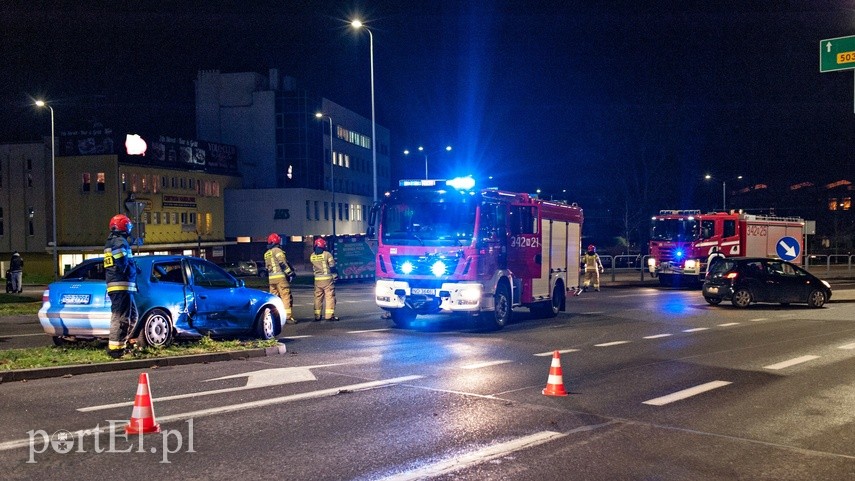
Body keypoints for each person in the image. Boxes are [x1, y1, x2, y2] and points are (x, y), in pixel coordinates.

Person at [104, 214, 137, 359]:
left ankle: (122, 344)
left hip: (120, 284)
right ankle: (115, 350)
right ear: (124, 226)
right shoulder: (119, 242)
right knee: (120, 317)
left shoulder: (112, 241)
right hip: (121, 284)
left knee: (132, 316)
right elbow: (121, 261)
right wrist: (128, 267)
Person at [264, 233, 296, 324]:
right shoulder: (277, 250)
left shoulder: (267, 253)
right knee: (286, 297)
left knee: (273, 298)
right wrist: (290, 273)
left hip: (271, 279)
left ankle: (274, 317)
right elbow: (282, 263)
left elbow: (267, 267)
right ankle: (288, 317)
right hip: (280, 278)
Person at [310, 237, 338, 321]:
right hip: (327, 280)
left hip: (317, 280)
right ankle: (329, 316)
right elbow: (332, 266)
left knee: (318, 298)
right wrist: (335, 275)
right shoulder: (327, 254)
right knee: (330, 297)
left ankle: (317, 316)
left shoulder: (312, 256)